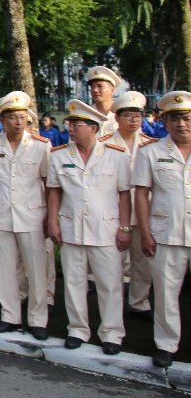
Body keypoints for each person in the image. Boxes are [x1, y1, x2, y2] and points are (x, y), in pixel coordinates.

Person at [47, 100, 131, 355]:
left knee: (110, 284)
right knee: (73, 282)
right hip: (72, 227)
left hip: (106, 230)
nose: (71, 128)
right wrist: (52, 221)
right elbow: (54, 192)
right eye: (70, 123)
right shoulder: (59, 155)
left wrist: (125, 227)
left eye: (77, 124)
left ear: (94, 128)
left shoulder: (116, 155)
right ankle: (77, 329)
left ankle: (112, 333)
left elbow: (124, 194)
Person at [0, 91, 51, 340]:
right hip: (2, 213)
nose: (19, 122)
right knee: (6, 268)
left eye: (23, 117)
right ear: (3, 120)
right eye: (13, 117)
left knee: (36, 269)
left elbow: (48, 183)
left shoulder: (41, 146)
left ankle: (38, 319)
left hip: (32, 215)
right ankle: (9, 315)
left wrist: (50, 216)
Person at [133, 90, 191, 368]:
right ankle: (166, 344)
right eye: (175, 119)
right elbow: (141, 194)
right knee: (166, 293)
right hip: (165, 233)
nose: (181, 124)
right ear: (165, 122)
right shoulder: (151, 152)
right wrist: (144, 231)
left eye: (187, 118)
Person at [99, 91, 153, 322]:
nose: (134, 120)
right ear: (117, 118)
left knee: (143, 262)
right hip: (114, 213)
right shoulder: (103, 145)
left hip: (144, 212)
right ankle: (114, 304)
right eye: (128, 115)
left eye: (138, 115)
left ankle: (140, 303)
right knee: (113, 263)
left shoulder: (152, 146)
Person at [87, 65, 121, 137]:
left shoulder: (122, 114)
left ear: (112, 89)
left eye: (100, 86)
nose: (95, 90)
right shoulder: (85, 114)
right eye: (92, 87)